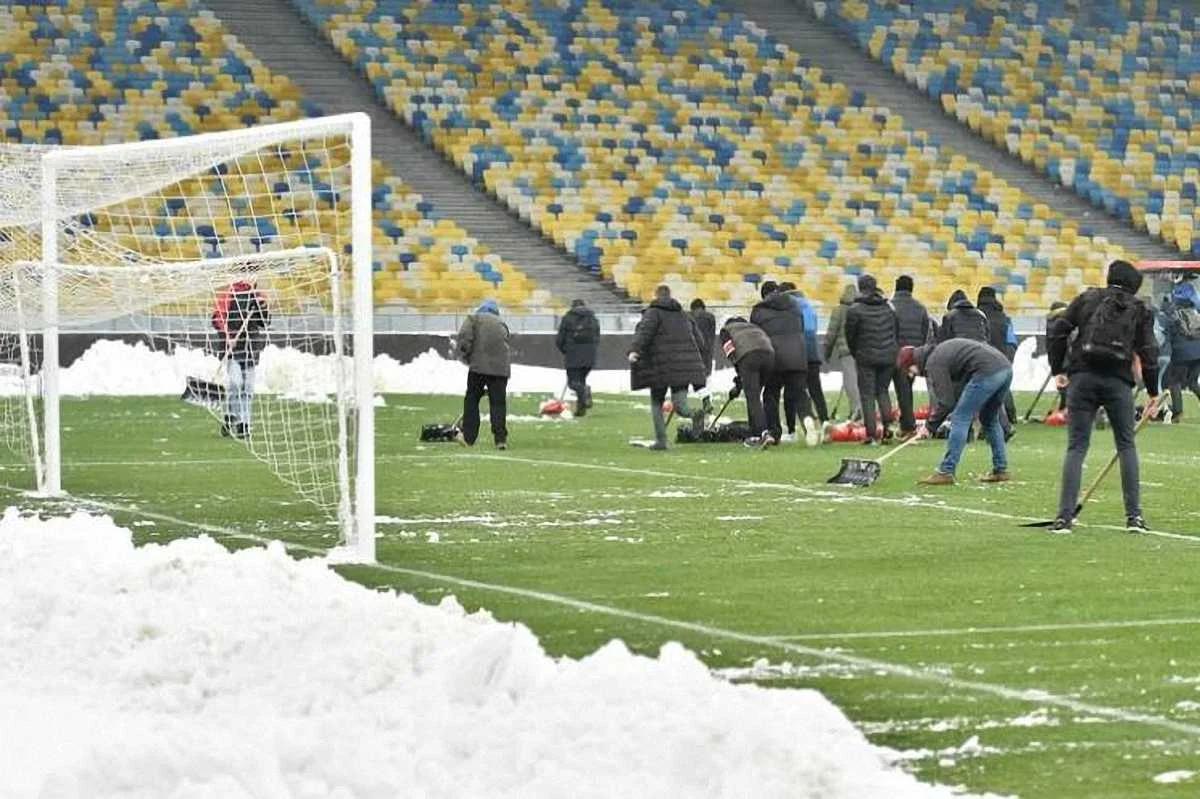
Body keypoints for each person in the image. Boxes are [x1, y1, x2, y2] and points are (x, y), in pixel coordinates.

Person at [1047, 259, 1160, 532]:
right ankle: (1134, 517)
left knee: (1077, 447)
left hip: (1082, 377)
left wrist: (1058, 368)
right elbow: (1149, 352)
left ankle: (1064, 516)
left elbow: (1058, 331)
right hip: (1118, 381)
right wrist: (1153, 392)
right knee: (1126, 445)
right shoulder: (1140, 309)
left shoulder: (1088, 298)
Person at [899, 339, 1013, 485]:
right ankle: (1001, 469)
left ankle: (946, 471)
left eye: (909, 371)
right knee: (989, 419)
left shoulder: (934, 363)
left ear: (913, 363)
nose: (911, 375)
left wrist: (929, 427)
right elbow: (957, 389)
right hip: (1005, 368)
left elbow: (946, 403)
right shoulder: (940, 353)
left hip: (987, 371)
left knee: (960, 418)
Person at [628, 285, 707, 450]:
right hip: (683, 365)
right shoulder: (684, 315)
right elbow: (700, 341)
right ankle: (693, 414)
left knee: (657, 402)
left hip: (660, 366)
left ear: (656, 296)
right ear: (670, 297)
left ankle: (661, 441)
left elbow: (644, 333)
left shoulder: (653, 313)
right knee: (680, 404)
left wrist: (634, 350)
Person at [751, 281, 817, 446]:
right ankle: (807, 419)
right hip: (798, 356)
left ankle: (774, 432)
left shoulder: (759, 311)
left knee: (770, 394)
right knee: (800, 393)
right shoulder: (794, 306)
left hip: (775, 357)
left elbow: (756, 337)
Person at [844, 274, 899, 446]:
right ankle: (888, 428)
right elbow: (895, 331)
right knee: (882, 391)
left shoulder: (855, 309)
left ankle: (871, 434)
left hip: (865, 356)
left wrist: (856, 352)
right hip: (888, 355)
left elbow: (850, 335)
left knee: (867, 395)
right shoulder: (888, 307)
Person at [211, 279, 270, 440]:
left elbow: (264, 322)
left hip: (250, 347)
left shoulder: (257, 296)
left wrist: (261, 308)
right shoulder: (229, 294)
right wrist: (228, 336)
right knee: (235, 383)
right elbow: (217, 319)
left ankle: (244, 424)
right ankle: (230, 416)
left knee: (248, 387)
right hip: (232, 348)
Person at [455, 299, 511, 449]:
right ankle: (500, 439)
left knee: (472, 399)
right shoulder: (501, 323)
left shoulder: (473, 319)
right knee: (498, 403)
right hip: (501, 370)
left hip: (478, 368)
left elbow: (464, 340)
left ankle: (469, 436)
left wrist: (466, 357)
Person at [719, 316, 775, 446]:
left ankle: (763, 433)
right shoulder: (753, 327)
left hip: (749, 357)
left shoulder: (726, 330)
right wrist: (740, 383)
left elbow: (732, 353)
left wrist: (739, 382)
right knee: (755, 397)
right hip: (770, 356)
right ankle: (755, 432)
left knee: (753, 397)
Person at [780, 281, 829, 423]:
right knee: (816, 390)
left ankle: (796, 426)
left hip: (796, 354)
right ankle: (824, 420)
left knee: (794, 391)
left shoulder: (789, 307)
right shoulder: (809, 306)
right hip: (812, 353)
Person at [891, 274, 932, 437]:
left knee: (896, 390)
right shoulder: (920, 308)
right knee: (906, 389)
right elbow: (924, 332)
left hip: (895, 353)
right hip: (913, 355)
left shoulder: (890, 306)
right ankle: (907, 424)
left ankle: (905, 425)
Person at [977, 286, 1019, 437]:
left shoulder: (976, 316)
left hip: (982, 356)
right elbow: (1012, 340)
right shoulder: (1004, 318)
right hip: (1002, 355)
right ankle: (1010, 415)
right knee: (1002, 387)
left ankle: (988, 424)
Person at [824, 283, 863, 421]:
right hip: (862, 351)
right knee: (862, 382)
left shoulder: (839, 310)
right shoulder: (862, 309)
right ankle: (862, 411)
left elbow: (831, 333)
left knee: (850, 383)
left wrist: (826, 352)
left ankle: (857, 410)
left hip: (846, 352)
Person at [555, 298, 600, 417]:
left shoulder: (568, 318)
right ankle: (581, 410)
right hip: (590, 355)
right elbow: (597, 338)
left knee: (573, 383)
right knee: (581, 381)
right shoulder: (593, 319)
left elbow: (560, 340)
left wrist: (566, 350)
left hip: (573, 355)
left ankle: (585, 392)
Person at [1164, 278, 1200, 422]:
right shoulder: (1195, 313)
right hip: (1198, 352)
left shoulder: (1173, 314)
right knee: (1192, 383)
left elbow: (1169, 335)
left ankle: (1177, 412)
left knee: (1174, 382)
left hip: (1182, 353)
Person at [689, 298, 718, 414]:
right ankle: (708, 403)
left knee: (694, 379)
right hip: (708, 353)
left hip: (694, 352)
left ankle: (705, 401)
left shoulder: (690, 317)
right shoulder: (711, 318)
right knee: (707, 377)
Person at [1047, 301, 1070, 413]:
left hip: (1058, 360)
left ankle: (1065, 409)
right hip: (1070, 358)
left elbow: (1052, 345)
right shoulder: (1069, 320)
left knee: (1064, 386)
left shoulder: (1051, 322)